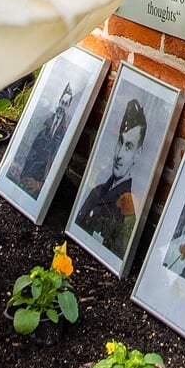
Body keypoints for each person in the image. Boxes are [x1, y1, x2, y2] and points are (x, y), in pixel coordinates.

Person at [73, 98, 150, 256]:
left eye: (129, 147)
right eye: (120, 142)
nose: (120, 154)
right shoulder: (99, 189)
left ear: (138, 154)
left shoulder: (129, 204)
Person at [10, 81, 75, 196]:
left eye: (65, 104)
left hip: (38, 188)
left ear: (68, 106)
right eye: (61, 102)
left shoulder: (65, 135)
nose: (61, 107)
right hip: (25, 177)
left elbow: (53, 163)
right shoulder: (44, 126)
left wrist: (40, 185)